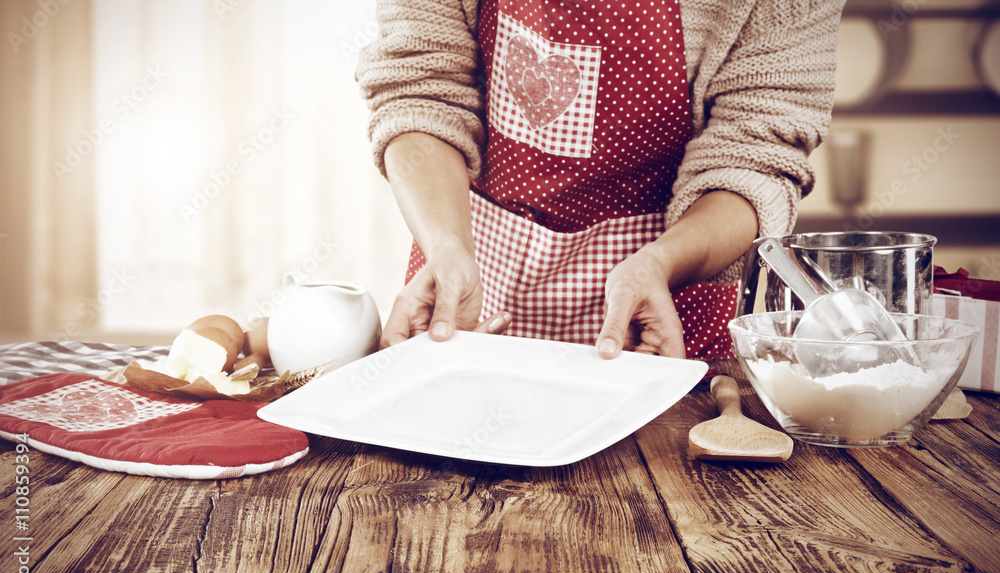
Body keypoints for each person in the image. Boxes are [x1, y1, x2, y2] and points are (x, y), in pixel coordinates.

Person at [357, 0, 844, 359]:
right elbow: (419, 92)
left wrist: (658, 264)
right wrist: (447, 248)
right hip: (468, 285)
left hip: (661, 311)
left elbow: (755, 158)